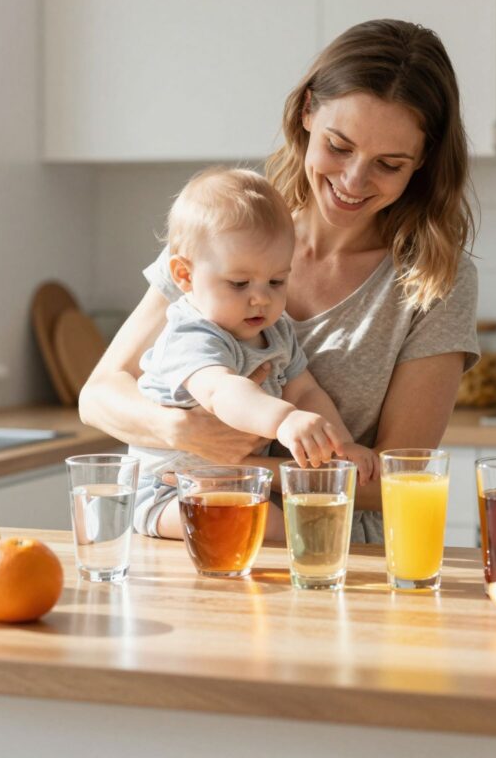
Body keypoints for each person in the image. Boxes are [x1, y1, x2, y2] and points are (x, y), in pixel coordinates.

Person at [79, 19, 479, 544]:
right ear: (309, 111)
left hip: (334, 553)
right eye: (339, 146)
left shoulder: (434, 279)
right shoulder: (230, 232)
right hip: (189, 535)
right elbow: (100, 394)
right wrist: (184, 433)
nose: (353, 182)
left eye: (388, 163)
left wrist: (242, 471)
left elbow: (397, 480)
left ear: (422, 161)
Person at [129, 167, 379, 535]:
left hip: (234, 485)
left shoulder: (275, 330)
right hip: (168, 490)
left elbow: (305, 389)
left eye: (277, 281)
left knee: (286, 527)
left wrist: (341, 445)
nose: (261, 297)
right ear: (184, 276)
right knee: (277, 529)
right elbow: (222, 391)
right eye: (239, 283)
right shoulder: (191, 332)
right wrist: (283, 421)